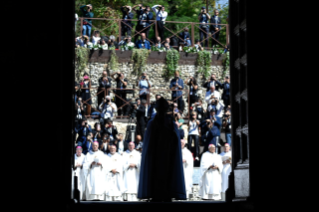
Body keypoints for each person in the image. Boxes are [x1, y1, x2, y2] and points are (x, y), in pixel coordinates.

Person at [138, 97, 186, 201]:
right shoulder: (155, 122)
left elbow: (177, 133)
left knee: (165, 174)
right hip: (158, 154)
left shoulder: (170, 121)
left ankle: (164, 193)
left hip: (166, 154)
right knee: (158, 174)